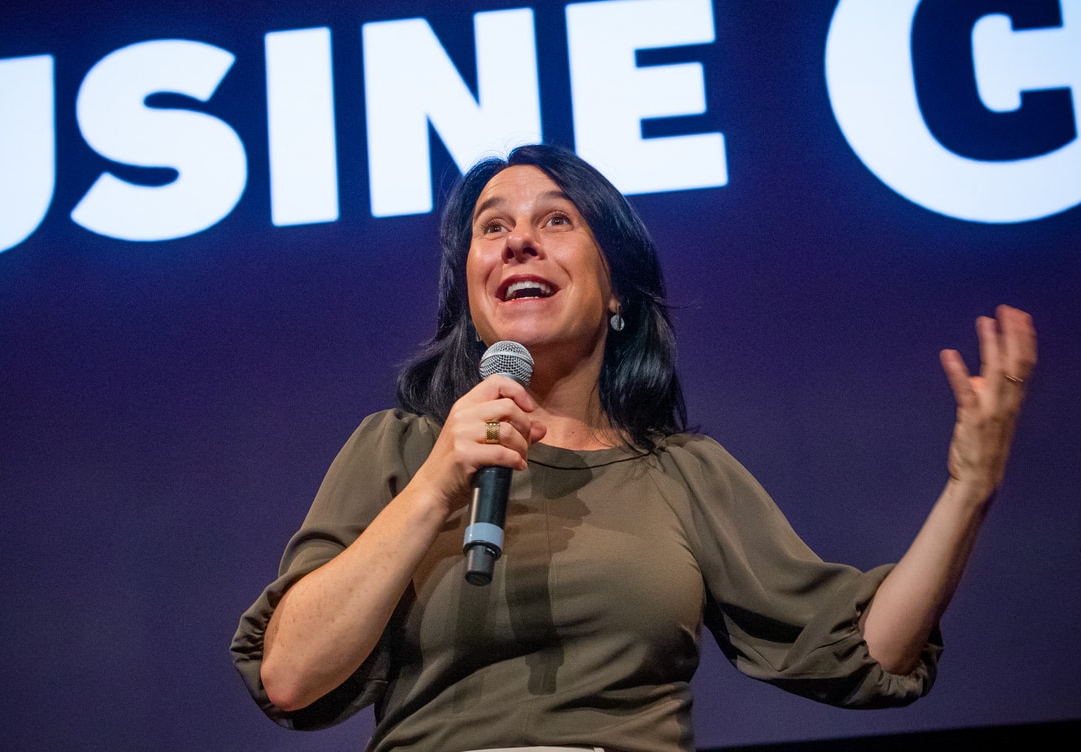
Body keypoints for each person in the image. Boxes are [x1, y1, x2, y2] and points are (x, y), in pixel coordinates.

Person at [230, 144, 1037, 752]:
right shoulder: (398, 451)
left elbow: (866, 650)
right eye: (492, 227)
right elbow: (290, 675)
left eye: (555, 220)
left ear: (616, 289)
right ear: (471, 297)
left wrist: (969, 489)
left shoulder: (680, 474)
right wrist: (437, 484)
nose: (518, 242)